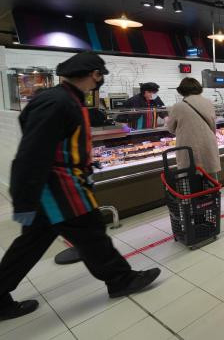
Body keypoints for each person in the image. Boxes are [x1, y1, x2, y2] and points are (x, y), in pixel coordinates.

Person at [0, 52, 160, 321]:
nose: (100, 81)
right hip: (59, 189)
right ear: (94, 75)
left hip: (54, 187)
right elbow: (33, 152)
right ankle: (120, 279)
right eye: (100, 76)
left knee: (31, 244)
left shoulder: (62, 99)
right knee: (92, 232)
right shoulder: (58, 102)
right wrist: (24, 199)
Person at [167, 77, 221, 179]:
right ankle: (212, 193)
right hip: (208, 143)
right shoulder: (208, 102)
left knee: (191, 175)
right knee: (210, 175)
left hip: (188, 146)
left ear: (182, 90)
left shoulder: (178, 106)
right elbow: (213, 126)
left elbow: (171, 129)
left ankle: (195, 194)